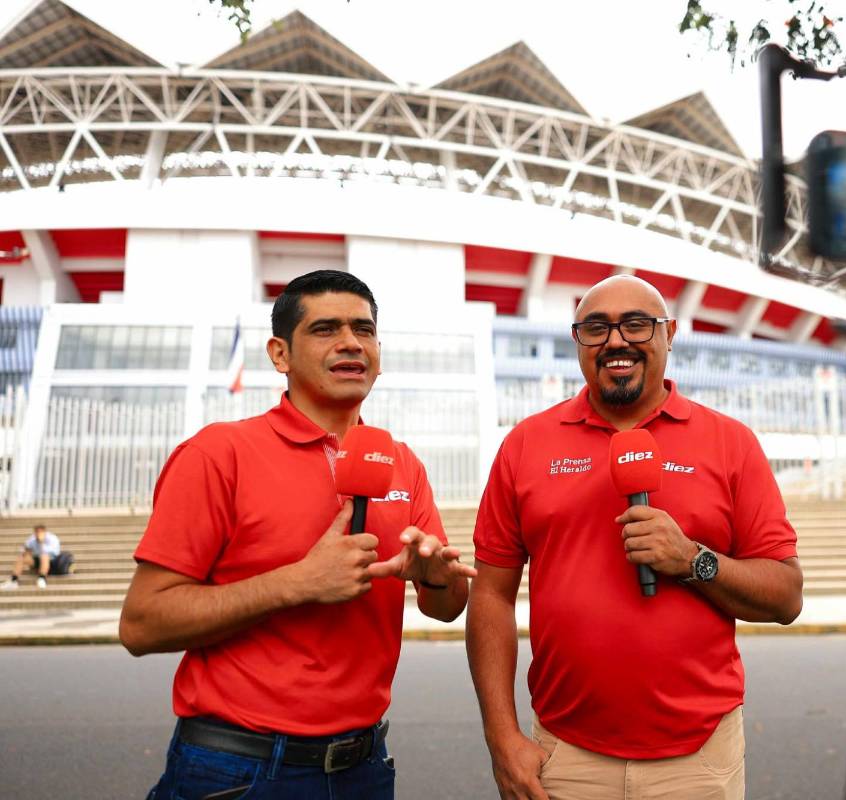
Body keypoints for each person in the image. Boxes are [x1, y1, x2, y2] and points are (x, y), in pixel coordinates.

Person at [120, 270, 475, 800]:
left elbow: (446, 608)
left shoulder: (402, 464)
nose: (351, 342)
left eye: (364, 329)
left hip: (365, 767)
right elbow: (142, 624)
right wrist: (295, 583)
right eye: (325, 329)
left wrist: (439, 579)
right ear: (279, 355)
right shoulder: (219, 454)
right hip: (238, 769)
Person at [467, 275, 804, 800]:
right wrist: (501, 735)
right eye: (596, 328)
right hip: (563, 754)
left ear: (670, 334)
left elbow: (786, 596)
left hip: (698, 759)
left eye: (636, 325)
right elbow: (490, 593)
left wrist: (693, 559)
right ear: (578, 341)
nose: (616, 342)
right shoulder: (526, 445)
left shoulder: (729, 443)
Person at [2, 524, 65, 589]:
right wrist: (26, 551)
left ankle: (42, 578)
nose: (38, 534)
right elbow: (24, 549)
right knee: (22, 557)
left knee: (44, 556)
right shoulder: (32, 539)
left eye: (40, 532)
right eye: (36, 532)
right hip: (37, 561)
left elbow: (55, 553)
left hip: (52, 562)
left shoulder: (52, 538)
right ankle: (13, 580)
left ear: (44, 532)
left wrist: (41, 543)